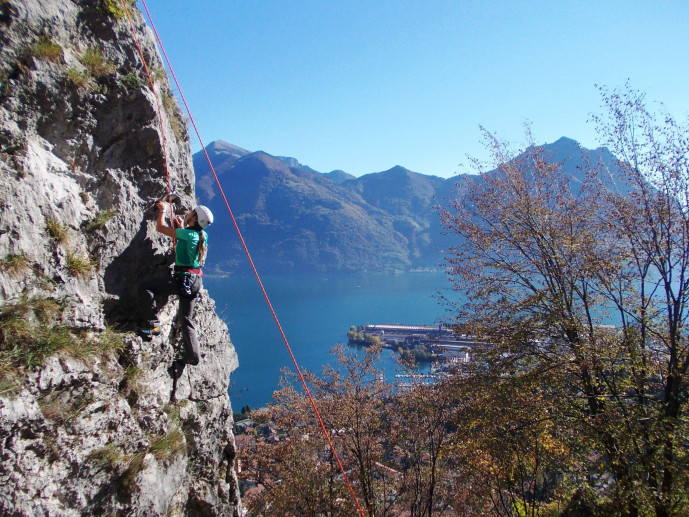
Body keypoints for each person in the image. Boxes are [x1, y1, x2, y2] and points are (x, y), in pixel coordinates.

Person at [140, 201, 214, 374]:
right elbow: (188, 241)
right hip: (195, 281)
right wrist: (181, 229)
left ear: (194, 218)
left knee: (147, 288)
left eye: (191, 212)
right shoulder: (202, 235)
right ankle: (192, 356)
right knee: (186, 319)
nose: (188, 213)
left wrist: (163, 210)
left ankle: (153, 325)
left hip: (183, 281)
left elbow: (160, 228)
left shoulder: (188, 234)